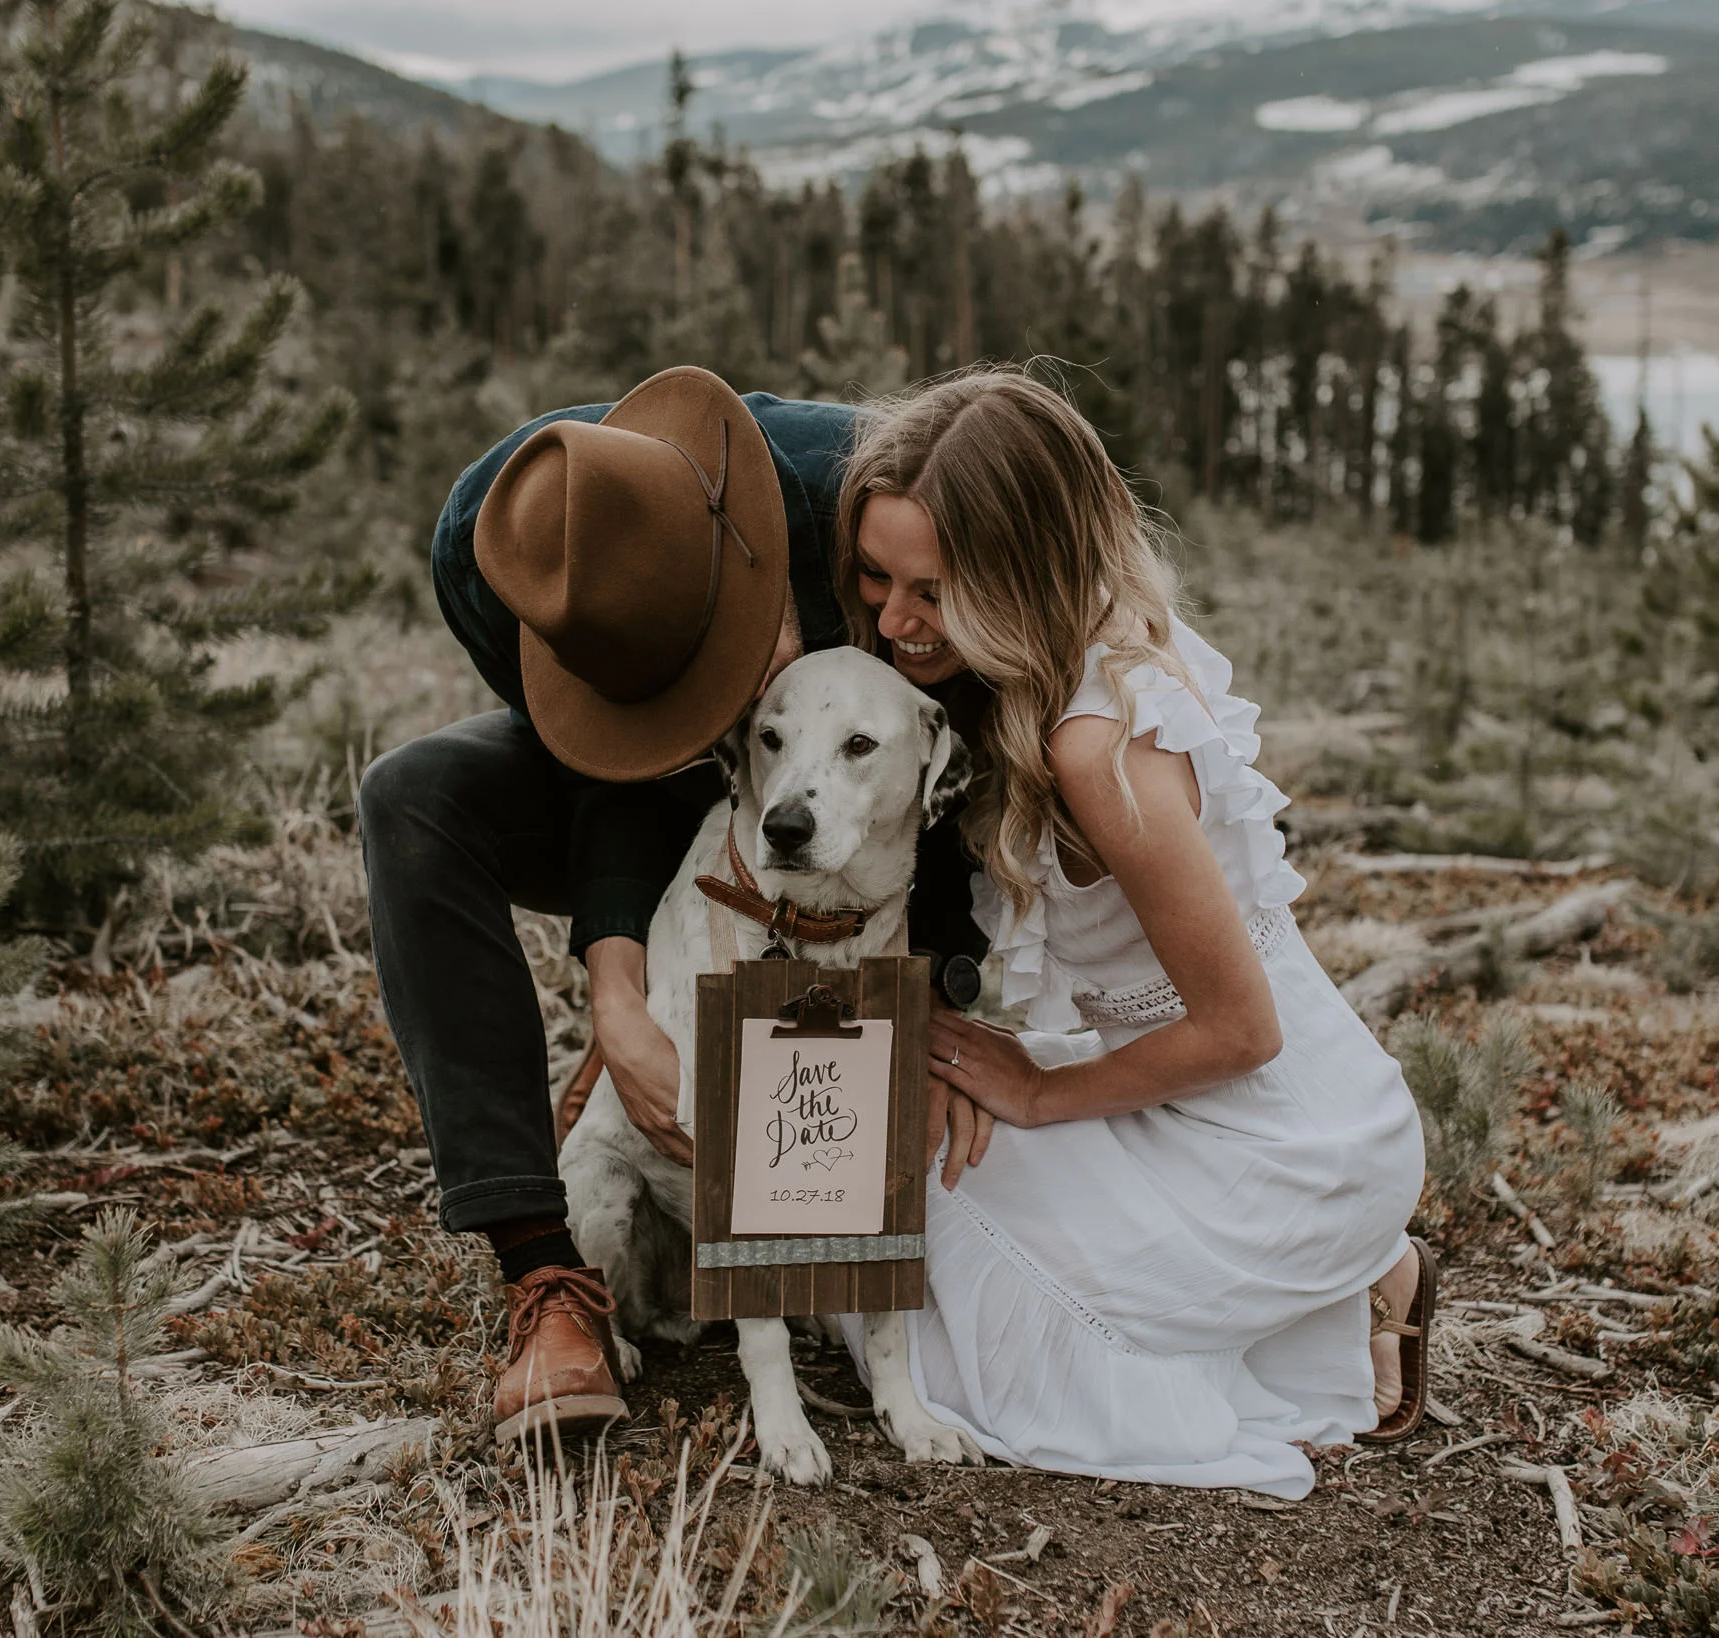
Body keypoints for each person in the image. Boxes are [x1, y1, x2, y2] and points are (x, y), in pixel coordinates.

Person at [357, 365, 993, 1446]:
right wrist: (619, 990)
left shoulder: (881, 499)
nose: (725, 693)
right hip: (675, 778)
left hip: (860, 808)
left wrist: (941, 993)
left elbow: (956, 769)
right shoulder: (499, 559)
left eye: (734, 659)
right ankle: (549, 1275)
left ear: (761, 564)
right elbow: (616, 760)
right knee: (411, 796)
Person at [834, 369, 1434, 1494]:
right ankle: (1328, 1287)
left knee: (912, 1222)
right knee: (873, 1173)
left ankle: (1353, 1270)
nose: (892, 621)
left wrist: (1042, 1093)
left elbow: (1242, 1029)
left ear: (1019, 578)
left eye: (932, 590)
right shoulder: (1078, 648)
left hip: (1279, 1138)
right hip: (1206, 1095)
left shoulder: (1094, 746)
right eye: (876, 576)